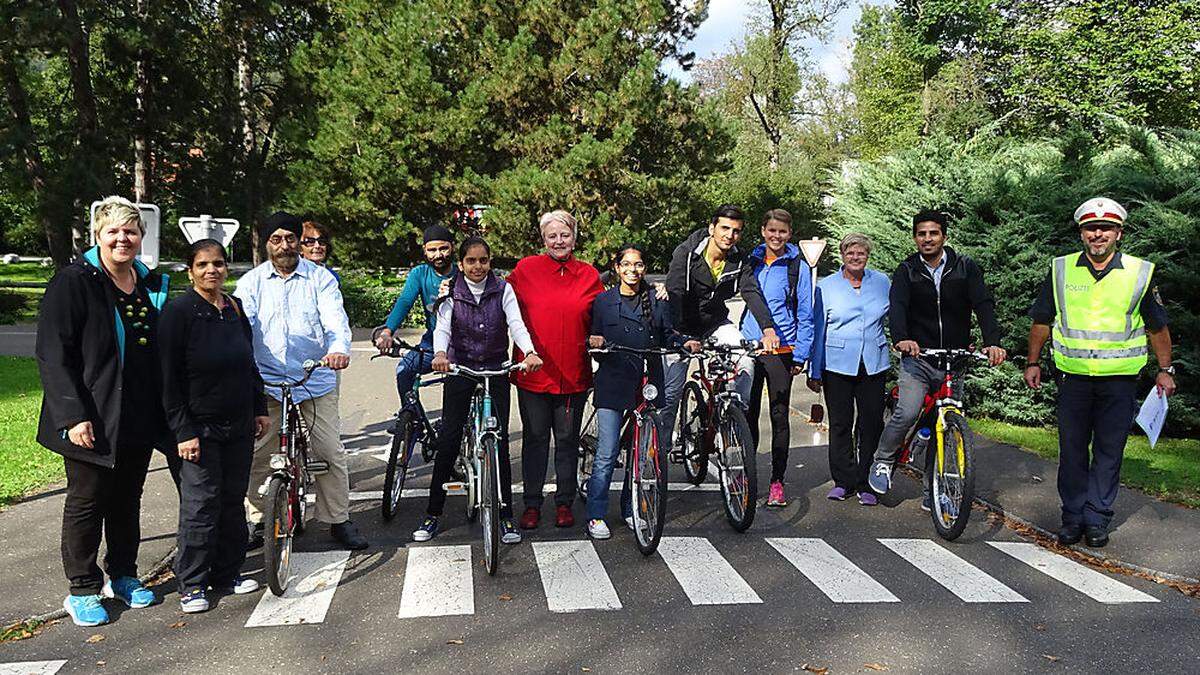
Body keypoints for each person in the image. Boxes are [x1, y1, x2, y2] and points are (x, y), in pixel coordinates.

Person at [35, 196, 171, 626]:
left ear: (141, 237)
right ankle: (82, 587)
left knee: (128, 498)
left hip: (137, 413)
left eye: (130, 231)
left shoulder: (148, 283)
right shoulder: (75, 281)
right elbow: (53, 354)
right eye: (112, 231)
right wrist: (73, 416)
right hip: (91, 415)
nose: (122, 239)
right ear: (98, 235)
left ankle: (124, 575)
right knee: (87, 501)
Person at [1024, 197, 1175, 548]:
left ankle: (1097, 519)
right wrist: (1033, 362)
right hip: (1073, 378)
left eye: (1106, 228)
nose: (1098, 234)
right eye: (1091, 228)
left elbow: (1158, 328)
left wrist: (1165, 369)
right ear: (1082, 233)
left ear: (1118, 233)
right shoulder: (1060, 269)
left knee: (1109, 452)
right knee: (1073, 450)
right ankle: (1073, 518)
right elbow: (1042, 320)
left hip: (1119, 381)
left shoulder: (1140, 272)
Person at [235, 211, 366, 550]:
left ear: (299, 242)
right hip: (266, 383)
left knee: (328, 450)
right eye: (276, 239)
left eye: (291, 239)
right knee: (258, 455)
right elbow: (241, 330)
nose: (284, 245)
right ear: (267, 243)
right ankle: (260, 518)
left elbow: (335, 321)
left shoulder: (319, 279)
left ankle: (338, 519)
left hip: (314, 379)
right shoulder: (251, 283)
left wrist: (338, 349)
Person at [159, 240, 272, 613]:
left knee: (231, 499)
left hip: (238, 423)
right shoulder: (178, 312)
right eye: (204, 264)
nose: (212, 270)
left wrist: (258, 408)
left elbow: (248, 363)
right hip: (199, 429)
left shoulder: (233, 308)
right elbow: (168, 379)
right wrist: (183, 431)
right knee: (200, 505)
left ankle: (227, 572)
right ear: (190, 270)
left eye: (219, 264)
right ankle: (192, 582)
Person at [868, 210, 1007, 505]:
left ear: (944, 235)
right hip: (919, 359)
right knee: (907, 412)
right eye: (921, 234)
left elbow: (983, 305)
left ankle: (934, 490)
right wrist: (902, 338)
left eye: (933, 233)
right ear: (915, 237)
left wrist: (992, 342)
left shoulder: (965, 267)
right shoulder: (907, 270)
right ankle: (883, 459)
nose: (927, 239)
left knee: (943, 428)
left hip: (953, 361)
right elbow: (898, 306)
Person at [412, 237, 543, 542]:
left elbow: (517, 324)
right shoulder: (451, 291)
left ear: (489, 261)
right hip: (461, 368)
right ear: (461, 264)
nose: (477, 266)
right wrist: (441, 355)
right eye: (471, 261)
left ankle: (506, 516)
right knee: (449, 439)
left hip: (495, 368)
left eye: (483, 260)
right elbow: (442, 327)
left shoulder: (502, 288)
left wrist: (530, 352)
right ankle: (433, 513)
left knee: (498, 442)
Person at [584, 244, 699, 539]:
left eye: (638, 265)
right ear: (617, 267)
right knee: (608, 452)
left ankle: (629, 507)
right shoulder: (603, 301)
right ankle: (596, 514)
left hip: (647, 381)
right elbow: (594, 337)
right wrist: (595, 342)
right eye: (626, 264)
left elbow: (668, 333)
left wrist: (682, 342)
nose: (632, 270)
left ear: (644, 268)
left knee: (640, 453)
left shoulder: (656, 300)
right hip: (613, 379)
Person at [507, 210, 604, 530]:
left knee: (566, 441)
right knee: (534, 439)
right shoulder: (525, 269)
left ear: (574, 238)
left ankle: (564, 502)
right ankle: (531, 504)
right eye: (552, 236)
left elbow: (605, 313)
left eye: (564, 235)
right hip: (533, 372)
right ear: (543, 239)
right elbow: (496, 299)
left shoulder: (588, 274)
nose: (559, 241)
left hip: (572, 373)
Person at [806, 233, 891, 506]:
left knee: (871, 423)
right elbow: (819, 329)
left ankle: (867, 481)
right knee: (841, 424)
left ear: (868, 255)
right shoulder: (826, 286)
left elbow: (897, 316)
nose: (856, 257)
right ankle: (843, 481)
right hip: (837, 364)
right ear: (842, 255)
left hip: (874, 363)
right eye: (850, 253)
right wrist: (814, 370)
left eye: (861, 253)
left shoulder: (881, 282)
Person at [738, 209, 814, 507]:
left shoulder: (797, 267)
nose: (776, 236)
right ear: (762, 230)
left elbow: (807, 314)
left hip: (782, 349)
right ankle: (746, 475)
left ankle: (777, 481)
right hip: (750, 345)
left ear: (789, 233)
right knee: (746, 414)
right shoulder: (752, 261)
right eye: (771, 230)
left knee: (779, 416)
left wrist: (801, 353)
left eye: (782, 231)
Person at [661, 204, 754, 448]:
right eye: (724, 228)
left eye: (736, 231)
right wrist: (679, 336)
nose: (729, 235)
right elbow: (676, 291)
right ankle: (659, 449)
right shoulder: (688, 252)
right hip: (681, 326)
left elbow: (752, 292)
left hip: (714, 322)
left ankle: (733, 415)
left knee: (744, 358)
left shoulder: (738, 257)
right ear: (712, 228)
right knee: (670, 394)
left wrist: (768, 330)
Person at [374, 225, 456, 404]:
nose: (438, 254)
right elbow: (405, 302)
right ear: (425, 251)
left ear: (453, 247)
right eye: (432, 250)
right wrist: (388, 331)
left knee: (458, 386)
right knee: (404, 371)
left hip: (463, 345)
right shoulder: (420, 273)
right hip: (432, 342)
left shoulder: (464, 272)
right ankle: (411, 419)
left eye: (443, 248)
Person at [300, 220, 339, 284]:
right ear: (300, 248)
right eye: (310, 242)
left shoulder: (332, 276)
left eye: (322, 241)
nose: (317, 246)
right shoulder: (294, 275)